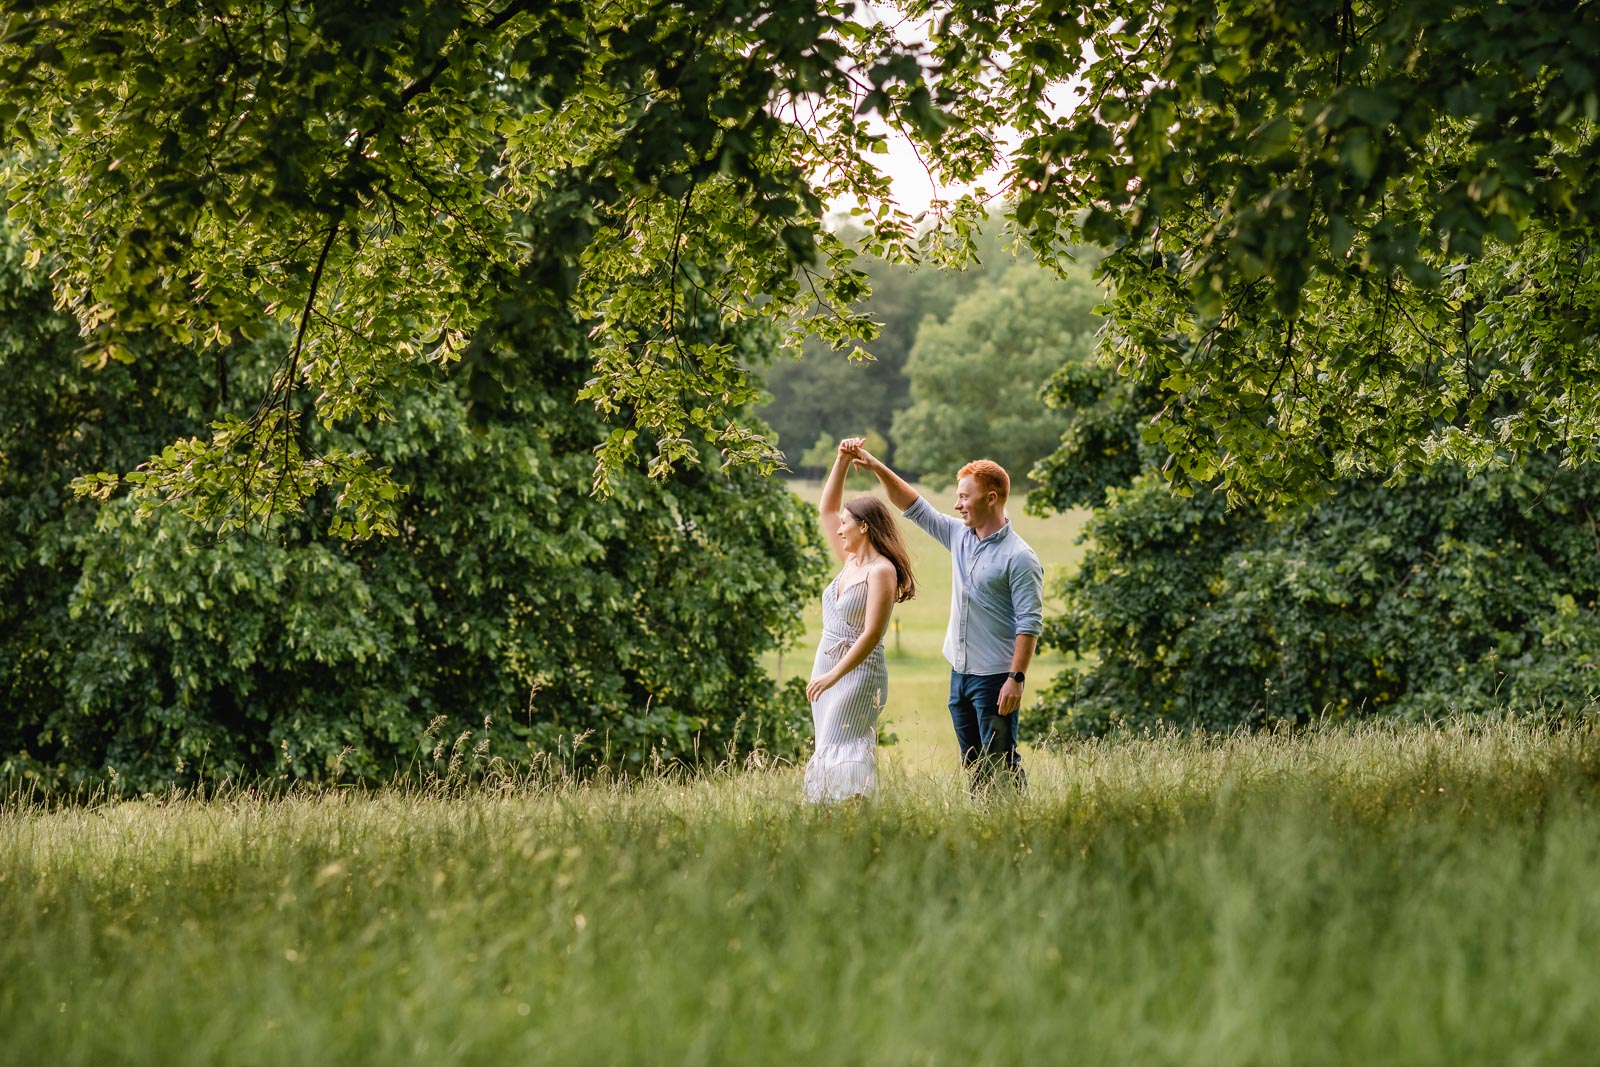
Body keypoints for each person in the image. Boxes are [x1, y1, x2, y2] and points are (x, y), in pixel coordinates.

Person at [845, 439, 1044, 791]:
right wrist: (876, 467)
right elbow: (913, 505)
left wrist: (1017, 678)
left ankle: (1016, 823)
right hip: (960, 673)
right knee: (973, 762)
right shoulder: (959, 536)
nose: (957, 504)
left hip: (996, 677)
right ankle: (985, 822)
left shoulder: (1020, 557)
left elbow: (1028, 624)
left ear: (991, 498)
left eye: (965, 497)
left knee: (1001, 760)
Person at [803, 439, 917, 803]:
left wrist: (833, 675)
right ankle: (825, 815)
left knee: (846, 744)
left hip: (858, 672)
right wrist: (841, 459)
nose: (838, 530)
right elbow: (827, 509)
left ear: (864, 527)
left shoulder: (881, 571)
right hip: (826, 662)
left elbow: (871, 635)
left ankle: (853, 811)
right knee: (827, 745)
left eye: (846, 525)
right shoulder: (851, 561)